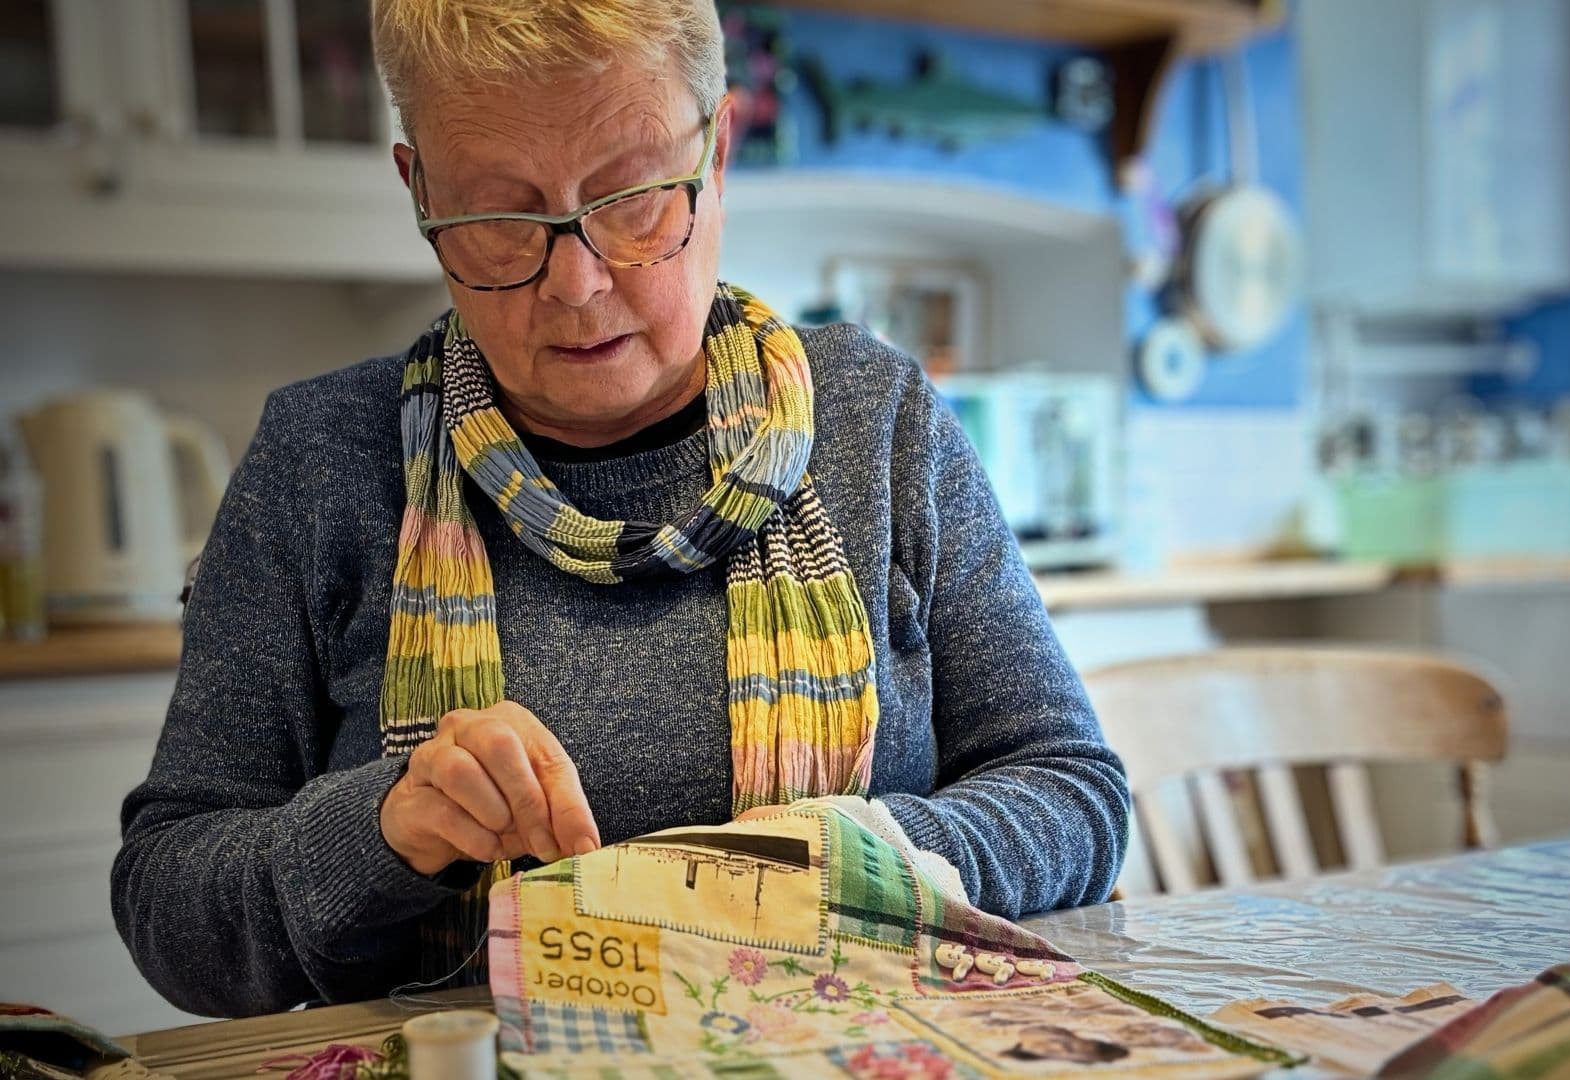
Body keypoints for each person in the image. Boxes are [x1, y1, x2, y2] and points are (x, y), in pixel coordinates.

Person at [111, 0, 1126, 1018]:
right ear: (419, 192)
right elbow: (170, 906)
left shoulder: (875, 420)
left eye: (632, 197)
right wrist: (382, 825)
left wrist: (865, 863)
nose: (578, 281)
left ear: (718, 151)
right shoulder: (321, 461)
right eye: (501, 217)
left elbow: (1074, 792)